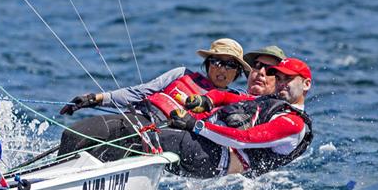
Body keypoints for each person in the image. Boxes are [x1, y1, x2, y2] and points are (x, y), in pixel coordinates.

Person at [58, 57, 313, 179]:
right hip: (201, 147)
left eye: (288, 79)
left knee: (134, 143)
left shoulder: (293, 123)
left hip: (213, 158)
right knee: (92, 137)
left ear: (306, 85)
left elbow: (244, 139)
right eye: (278, 78)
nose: (281, 84)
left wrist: (195, 124)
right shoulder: (268, 103)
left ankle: (79, 184)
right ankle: (67, 177)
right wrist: (206, 101)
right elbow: (228, 99)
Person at [59, 38, 251, 124]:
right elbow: (139, 92)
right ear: (208, 63)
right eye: (217, 61)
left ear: (238, 73)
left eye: (230, 65)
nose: (222, 69)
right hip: (136, 119)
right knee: (76, 132)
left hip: (159, 140)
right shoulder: (181, 73)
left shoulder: (233, 101)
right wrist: (94, 99)